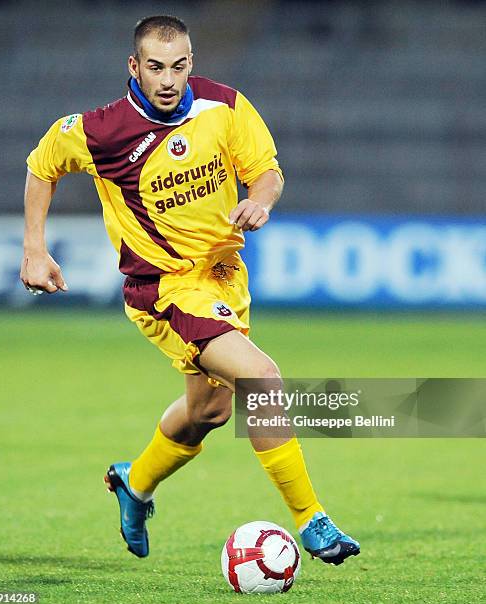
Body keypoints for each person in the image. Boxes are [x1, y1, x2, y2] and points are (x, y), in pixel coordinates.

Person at [21, 15, 360, 565]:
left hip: (223, 278)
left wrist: (262, 200)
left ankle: (136, 483)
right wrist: (35, 247)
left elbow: (267, 169)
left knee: (208, 412)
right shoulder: (99, 131)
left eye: (179, 66)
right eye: (155, 67)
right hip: (163, 288)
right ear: (134, 67)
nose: (168, 79)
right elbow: (42, 167)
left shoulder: (223, 106)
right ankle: (312, 520)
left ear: (191, 63)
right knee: (263, 380)